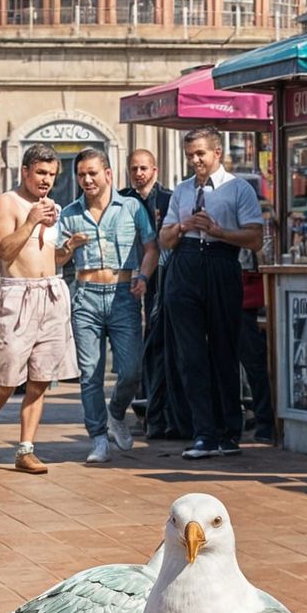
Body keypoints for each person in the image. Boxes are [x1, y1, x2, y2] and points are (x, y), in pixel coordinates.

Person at [0, 144, 79, 475]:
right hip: (18, 297)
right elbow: (4, 250)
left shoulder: (50, 206)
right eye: (41, 173)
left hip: (52, 293)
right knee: (7, 379)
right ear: (25, 171)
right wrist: (31, 221)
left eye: (52, 175)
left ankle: (25, 450)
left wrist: (68, 249)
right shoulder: (6, 203)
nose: (47, 181)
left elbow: (48, 257)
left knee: (41, 378)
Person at [159, 128, 264, 461]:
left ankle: (228, 431)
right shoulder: (182, 190)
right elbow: (165, 239)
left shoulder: (238, 189)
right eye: (190, 155)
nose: (195, 161)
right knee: (190, 354)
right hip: (185, 263)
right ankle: (202, 432)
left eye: (200, 154)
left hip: (221, 263)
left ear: (217, 152)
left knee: (223, 349)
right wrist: (183, 226)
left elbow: (255, 238)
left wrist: (218, 231)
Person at [58, 149, 157, 464]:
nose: (87, 180)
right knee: (90, 373)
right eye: (81, 175)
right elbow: (57, 259)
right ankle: (98, 438)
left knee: (131, 371)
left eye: (93, 173)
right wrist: (68, 246)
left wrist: (143, 275)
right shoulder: (70, 213)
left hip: (124, 295)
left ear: (108, 174)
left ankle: (116, 412)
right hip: (85, 296)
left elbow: (151, 247)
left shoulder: (131, 207)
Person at [121, 148, 174, 435]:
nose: (139, 174)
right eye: (134, 169)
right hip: (128, 276)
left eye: (144, 168)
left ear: (154, 170)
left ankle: (156, 411)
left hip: (160, 277)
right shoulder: (122, 199)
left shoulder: (168, 199)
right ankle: (142, 408)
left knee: (156, 341)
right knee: (133, 344)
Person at [239, 203, 275, 444]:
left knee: (253, 362)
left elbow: (262, 258)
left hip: (251, 298)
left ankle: (264, 421)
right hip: (242, 295)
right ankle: (259, 420)